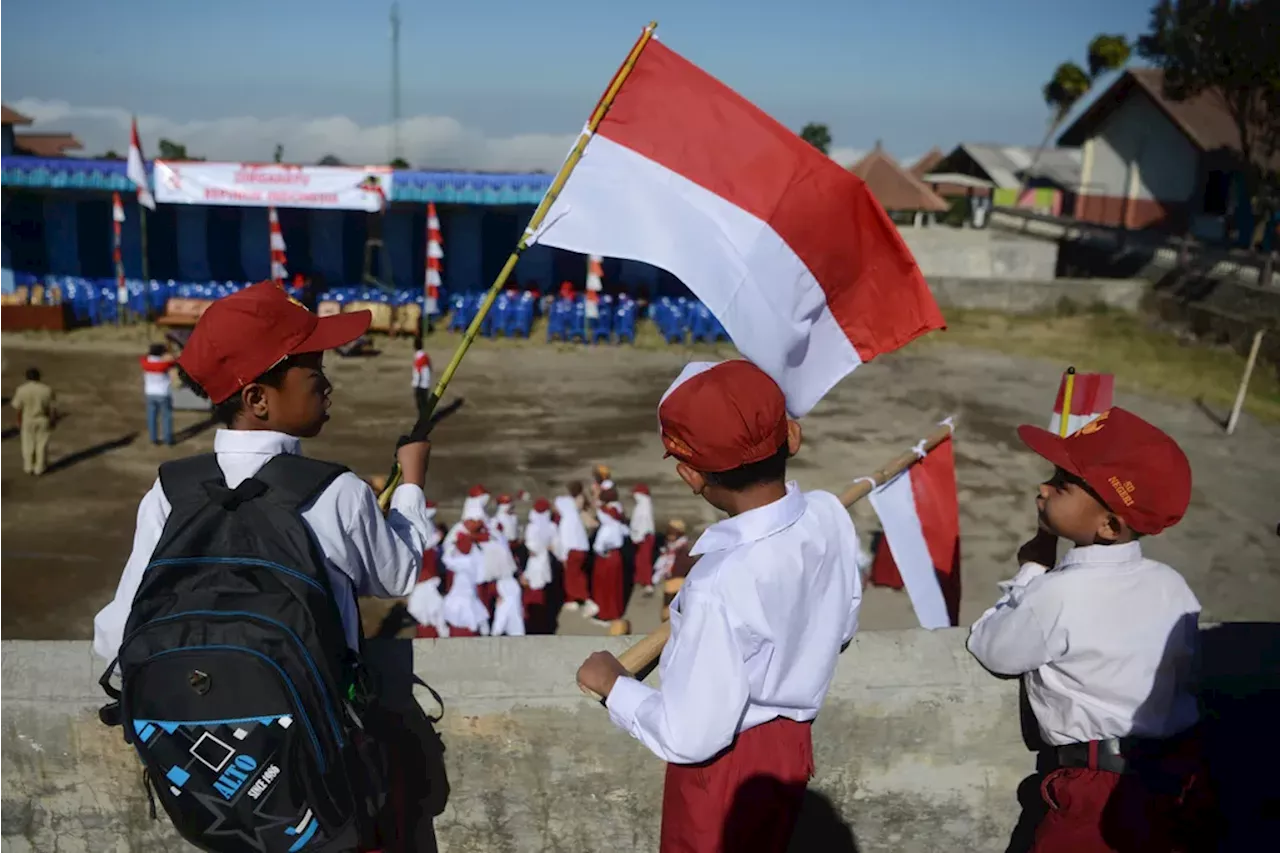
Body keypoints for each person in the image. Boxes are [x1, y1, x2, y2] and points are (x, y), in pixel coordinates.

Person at [576, 360, 863, 853]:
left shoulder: (717, 582)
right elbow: (841, 627)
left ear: (690, 475)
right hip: (790, 751)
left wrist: (614, 686)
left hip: (726, 773)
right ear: (791, 436)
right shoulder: (828, 513)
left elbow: (689, 735)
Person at [93, 281, 434, 663]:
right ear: (257, 398)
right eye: (314, 373)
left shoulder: (169, 491)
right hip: (305, 718)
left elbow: (114, 636)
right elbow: (398, 575)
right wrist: (411, 486)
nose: (327, 386)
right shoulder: (338, 491)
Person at [966, 408, 1210, 853]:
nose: (1042, 487)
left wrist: (1032, 568)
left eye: (1061, 483)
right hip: (1176, 778)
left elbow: (991, 647)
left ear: (1109, 525)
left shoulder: (1059, 593)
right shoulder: (1172, 586)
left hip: (1096, 793)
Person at [555, 482, 596, 616]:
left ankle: (585, 599)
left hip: (572, 549)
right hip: (581, 546)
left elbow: (564, 540)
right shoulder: (575, 510)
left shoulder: (566, 516)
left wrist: (563, 555)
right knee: (577, 575)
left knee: (573, 576)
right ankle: (573, 599)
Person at [591, 482, 629, 624]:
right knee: (615, 585)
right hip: (616, 555)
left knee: (604, 586)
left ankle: (606, 614)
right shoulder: (618, 518)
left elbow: (600, 545)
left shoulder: (607, 526)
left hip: (606, 556)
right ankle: (615, 611)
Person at [441, 531, 490, 637]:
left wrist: (451, 548)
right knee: (476, 613)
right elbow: (481, 576)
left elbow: (446, 560)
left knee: (453, 612)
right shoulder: (475, 559)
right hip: (471, 592)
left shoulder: (460, 562)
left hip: (459, 592)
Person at [11, 367, 56, 477]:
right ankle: (39, 467)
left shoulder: (21, 389)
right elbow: (52, 408)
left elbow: (18, 408)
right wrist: (52, 420)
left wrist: (18, 420)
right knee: (42, 444)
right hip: (42, 418)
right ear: (39, 377)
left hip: (28, 418)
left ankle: (28, 466)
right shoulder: (47, 389)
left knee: (27, 443)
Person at [522, 497, 558, 633]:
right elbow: (554, 545)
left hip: (534, 563)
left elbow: (531, 549)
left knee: (532, 593)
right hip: (544, 562)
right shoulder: (551, 527)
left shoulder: (531, 527)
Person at [140, 343, 176, 446]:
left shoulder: (145, 362)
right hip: (163, 393)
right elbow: (174, 361)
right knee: (166, 416)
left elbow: (144, 357)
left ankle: (153, 438)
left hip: (150, 393)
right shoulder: (164, 364)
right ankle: (168, 439)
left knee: (151, 416)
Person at [630, 483, 657, 594]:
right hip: (642, 536)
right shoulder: (642, 504)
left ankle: (647, 582)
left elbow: (643, 523)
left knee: (644, 560)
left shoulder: (643, 506)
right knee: (640, 559)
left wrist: (638, 536)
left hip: (644, 536)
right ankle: (641, 579)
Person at [652, 519, 690, 586]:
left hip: (677, 580)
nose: (669, 537)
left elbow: (683, 566)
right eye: (668, 533)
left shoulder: (683, 548)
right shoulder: (668, 547)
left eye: (672, 533)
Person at [411, 336, 431, 420]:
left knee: (421, 403)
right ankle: (425, 418)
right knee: (424, 403)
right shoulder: (425, 356)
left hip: (420, 384)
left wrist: (417, 384)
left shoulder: (419, 357)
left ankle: (423, 419)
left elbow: (418, 371)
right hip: (426, 383)